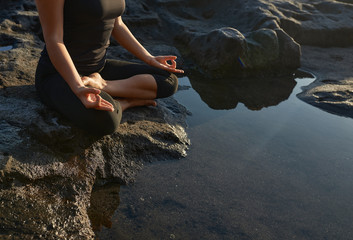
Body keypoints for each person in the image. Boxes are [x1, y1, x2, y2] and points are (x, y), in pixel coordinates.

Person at [34, 0, 184, 136]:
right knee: (107, 120)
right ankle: (125, 102)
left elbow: (117, 24)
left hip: (98, 69)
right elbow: (54, 40)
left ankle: (104, 85)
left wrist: (149, 58)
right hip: (59, 75)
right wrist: (78, 87)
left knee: (168, 81)